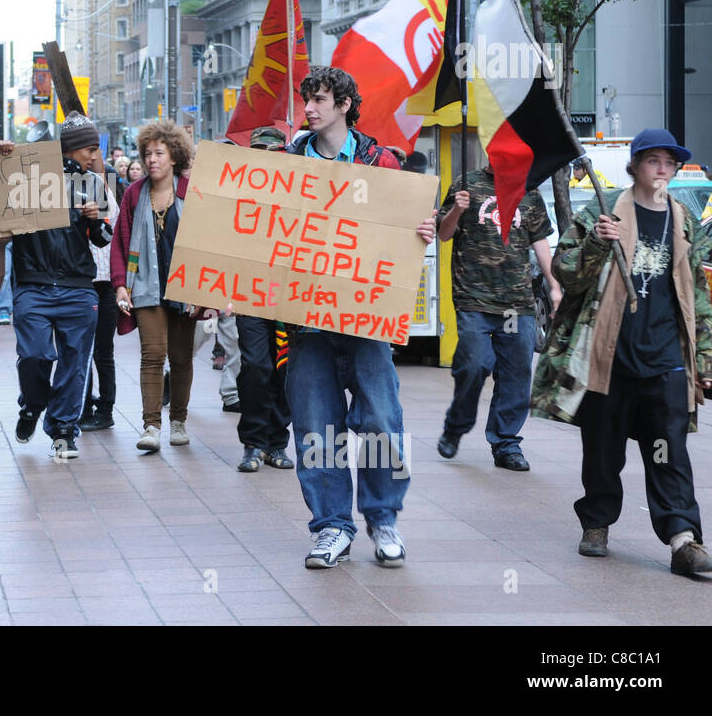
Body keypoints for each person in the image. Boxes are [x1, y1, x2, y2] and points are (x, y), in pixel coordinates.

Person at [533, 128, 712, 576]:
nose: (663, 169)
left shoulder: (683, 221)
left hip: (667, 359)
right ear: (634, 166)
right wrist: (596, 240)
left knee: (668, 450)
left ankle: (683, 539)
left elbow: (699, 297)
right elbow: (565, 273)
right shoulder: (604, 208)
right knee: (603, 449)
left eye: (669, 162)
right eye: (653, 160)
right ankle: (596, 523)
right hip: (609, 353)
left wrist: (704, 359)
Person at [283, 66, 437, 569]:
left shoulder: (383, 162)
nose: (309, 108)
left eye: (320, 99)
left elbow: (410, 230)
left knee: (381, 423)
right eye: (307, 99)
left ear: (345, 103)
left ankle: (382, 517)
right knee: (315, 428)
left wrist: (421, 229)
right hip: (307, 327)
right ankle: (331, 527)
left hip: (366, 324)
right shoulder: (286, 164)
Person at [0, 112, 111, 459]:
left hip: (78, 285)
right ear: (74, 148)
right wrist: (3, 157)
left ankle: (63, 430)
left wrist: (97, 221)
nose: (94, 155)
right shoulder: (26, 176)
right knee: (35, 355)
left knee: (75, 362)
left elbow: (104, 238)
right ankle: (33, 404)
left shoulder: (93, 184)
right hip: (33, 283)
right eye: (90, 149)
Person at [435, 164, 561, 471]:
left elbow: (540, 240)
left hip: (516, 302)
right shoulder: (467, 184)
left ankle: (506, 443)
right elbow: (443, 233)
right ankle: (456, 425)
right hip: (474, 298)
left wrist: (554, 284)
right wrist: (457, 210)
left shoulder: (528, 191)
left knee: (516, 373)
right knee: (474, 365)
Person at [110, 119, 215, 453]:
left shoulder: (191, 191)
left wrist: (206, 289)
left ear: (174, 157)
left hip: (184, 288)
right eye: (148, 153)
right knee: (152, 354)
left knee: (182, 357)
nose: (152, 159)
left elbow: (207, 242)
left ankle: (178, 420)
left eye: (159, 153)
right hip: (144, 286)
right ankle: (151, 426)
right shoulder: (133, 194)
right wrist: (120, 285)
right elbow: (119, 241)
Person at [234, 127, 295, 473]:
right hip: (250, 294)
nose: (266, 157)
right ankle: (253, 443)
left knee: (283, 369)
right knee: (256, 365)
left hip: (288, 298)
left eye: (272, 152)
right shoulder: (240, 195)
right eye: (259, 151)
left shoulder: (297, 197)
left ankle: (276, 443)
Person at [80, 150, 121, 431]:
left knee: (103, 351)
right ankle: (81, 408)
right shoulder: (67, 186)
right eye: (88, 150)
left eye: (96, 151)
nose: (93, 156)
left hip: (107, 283)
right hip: (82, 282)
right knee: (80, 350)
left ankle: (105, 410)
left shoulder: (114, 186)